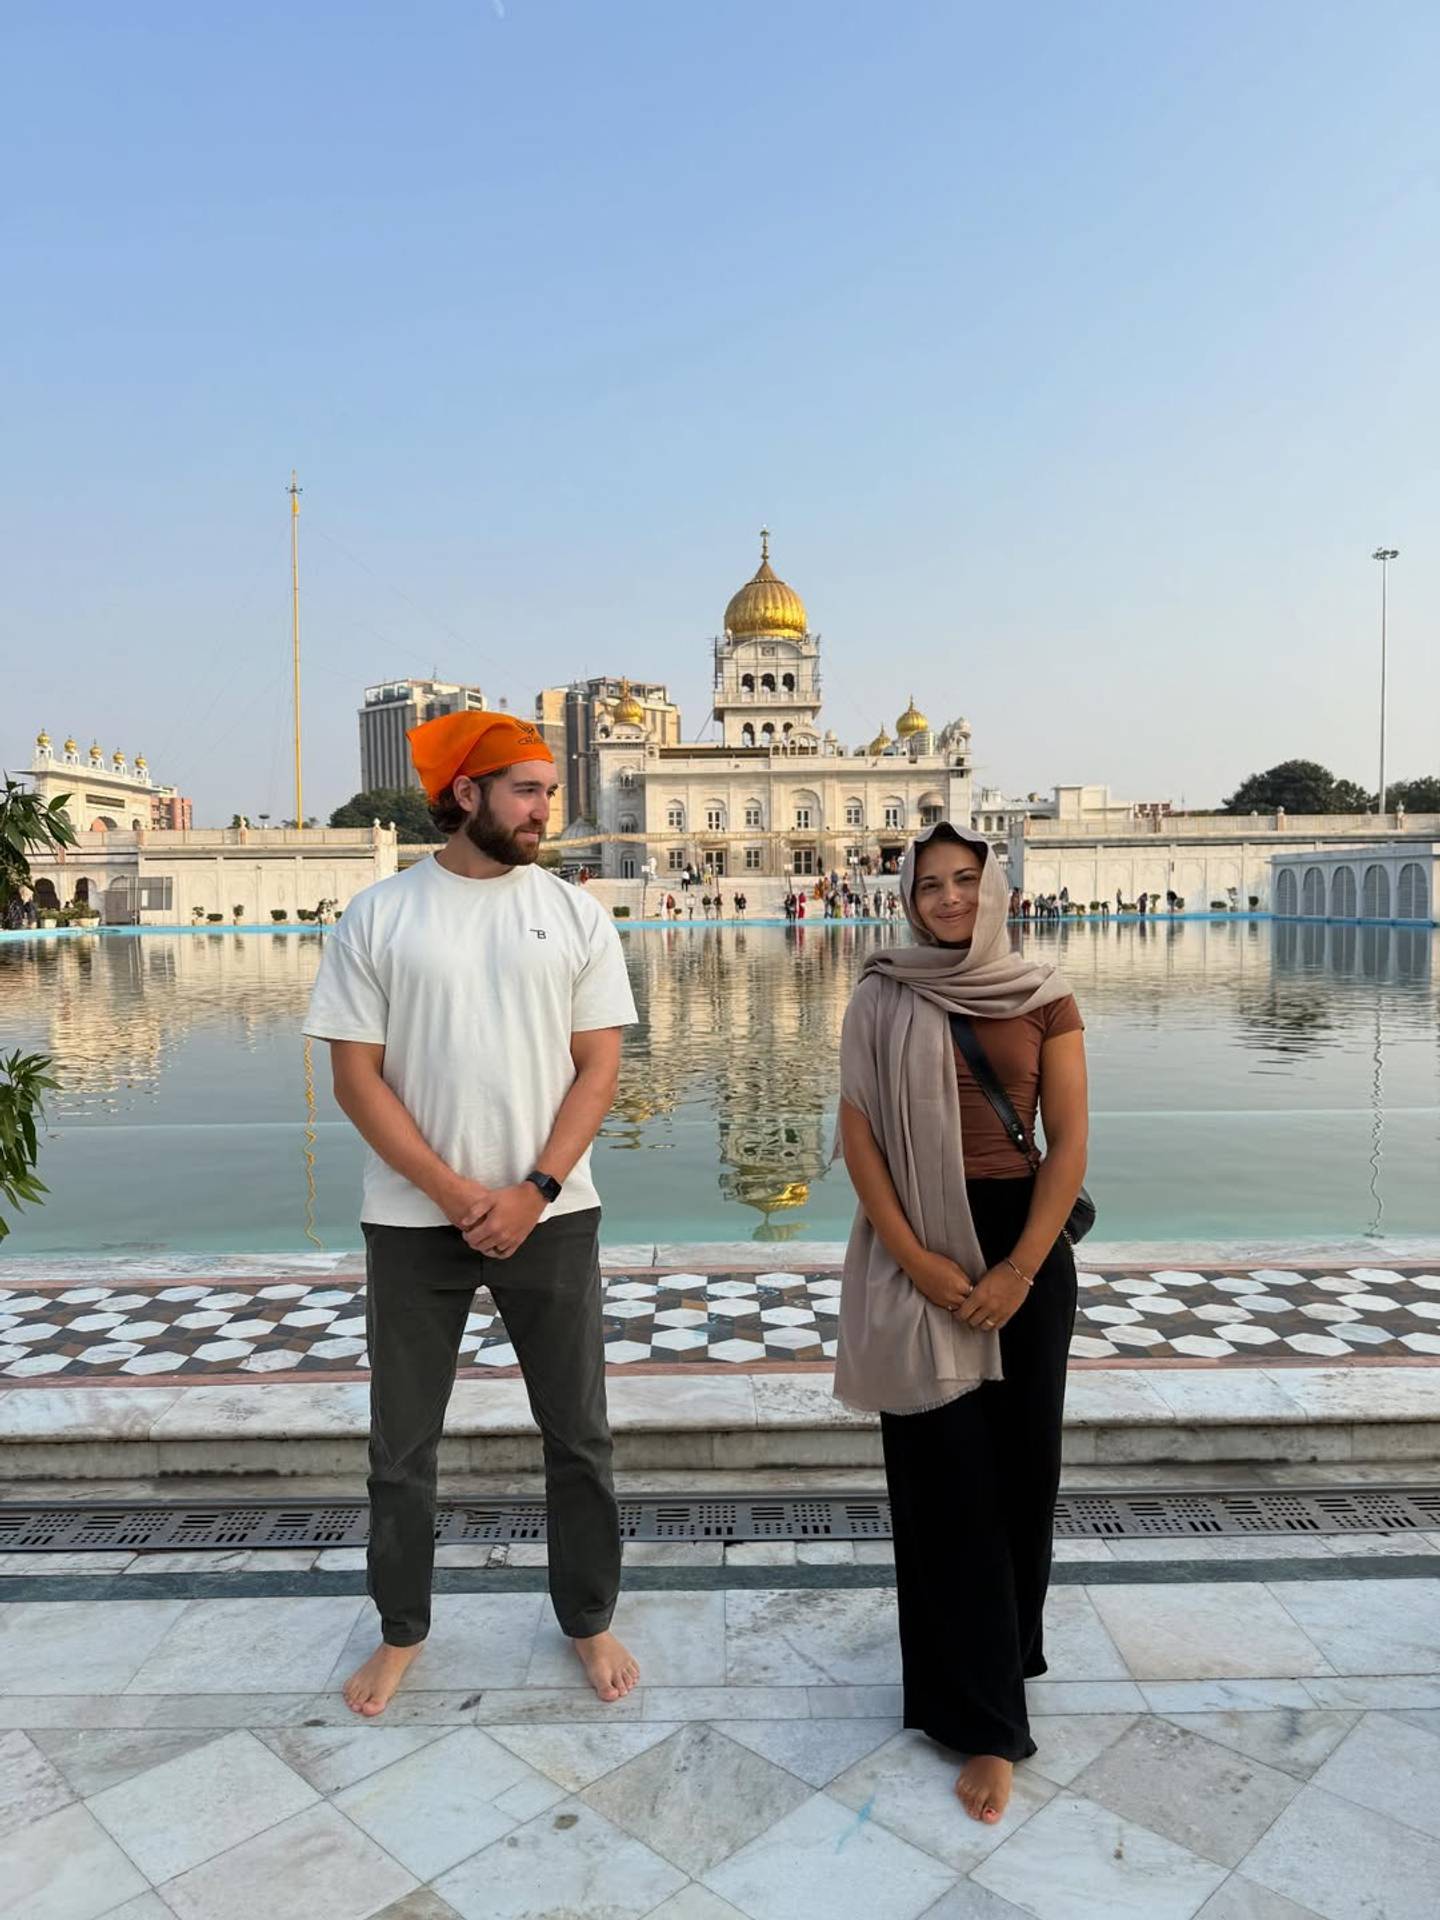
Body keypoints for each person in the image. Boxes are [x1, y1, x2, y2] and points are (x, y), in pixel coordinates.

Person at [303, 710, 641, 1718]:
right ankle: (401, 1628)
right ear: (467, 794)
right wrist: (454, 1194)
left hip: (553, 1213)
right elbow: (356, 1079)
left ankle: (588, 1616)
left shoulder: (575, 915)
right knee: (402, 1445)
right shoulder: (381, 916)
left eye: (550, 791)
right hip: (415, 1223)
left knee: (578, 1435)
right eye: (526, 790)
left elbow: (598, 1068)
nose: (546, 810)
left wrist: (534, 1190)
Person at [835, 821, 1088, 1828]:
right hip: (921, 1248)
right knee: (947, 1483)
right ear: (907, 897)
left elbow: (1070, 1142)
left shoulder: (1043, 993)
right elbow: (858, 1132)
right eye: (929, 883)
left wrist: (1019, 1269)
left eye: (964, 880)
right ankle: (983, 1720)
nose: (946, 897)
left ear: (996, 890)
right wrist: (915, 1260)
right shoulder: (881, 991)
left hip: (1024, 1247)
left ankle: (1005, 1656)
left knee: (1023, 1477)